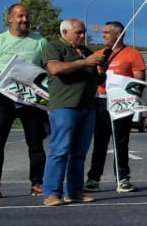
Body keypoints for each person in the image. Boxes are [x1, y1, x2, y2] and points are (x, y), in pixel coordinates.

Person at [0, 1, 48, 198]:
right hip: (4, 96)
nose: (24, 20)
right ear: (10, 19)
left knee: (35, 143)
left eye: (26, 16)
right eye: (19, 16)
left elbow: (46, 67)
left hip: (31, 96)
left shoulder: (39, 41)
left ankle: (37, 182)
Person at [38, 19, 107, 206]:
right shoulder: (54, 48)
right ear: (65, 32)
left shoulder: (86, 52)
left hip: (87, 106)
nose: (83, 35)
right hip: (64, 106)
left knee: (80, 152)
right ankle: (52, 192)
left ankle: (75, 190)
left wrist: (101, 70)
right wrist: (85, 62)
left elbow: (99, 80)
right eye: (78, 32)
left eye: (84, 32)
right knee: (60, 150)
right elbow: (55, 68)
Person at [85, 20, 144, 194]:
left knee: (121, 141)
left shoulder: (133, 54)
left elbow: (138, 82)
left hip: (121, 103)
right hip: (102, 101)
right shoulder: (99, 54)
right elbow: (92, 80)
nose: (102, 35)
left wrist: (132, 100)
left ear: (118, 34)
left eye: (106, 32)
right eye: (102, 32)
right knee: (100, 142)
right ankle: (93, 179)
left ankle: (123, 178)